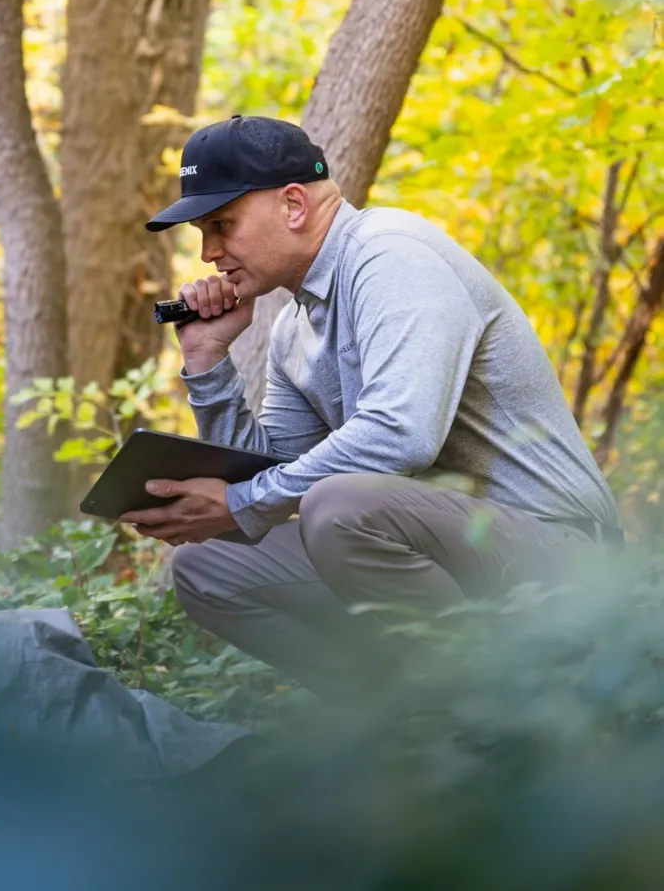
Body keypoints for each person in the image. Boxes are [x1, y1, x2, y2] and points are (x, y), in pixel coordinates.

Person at [120, 115, 622, 696]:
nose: (209, 253)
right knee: (209, 566)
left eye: (222, 225)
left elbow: (400, 435)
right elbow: (271, 476)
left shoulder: (392, 256)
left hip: (560, 555)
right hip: (445, 555)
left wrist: (240, 502)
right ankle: (390, 720)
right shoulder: (294, 328)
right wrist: (208, 359)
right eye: (203, 233)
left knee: (339, 505)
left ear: (293, 205)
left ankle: (491, 713)